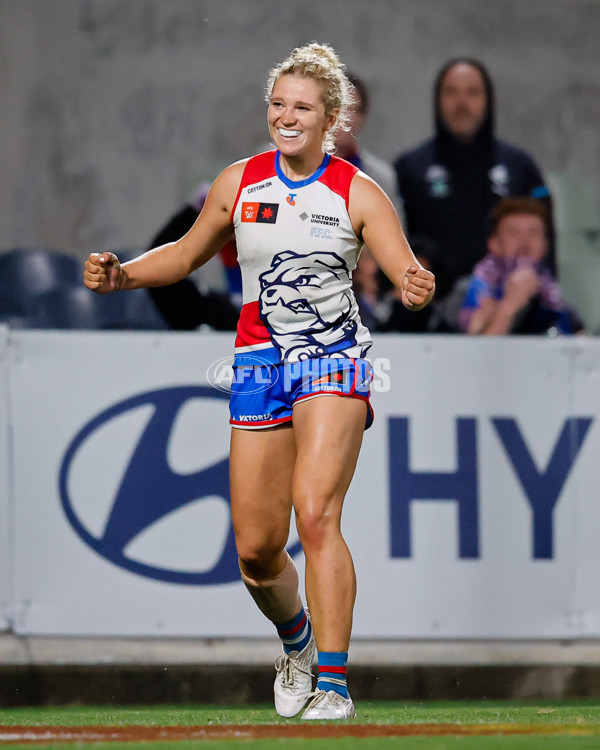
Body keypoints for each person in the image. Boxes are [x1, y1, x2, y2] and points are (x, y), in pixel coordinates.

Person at [84, 42, 435, 720]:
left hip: (332, 360)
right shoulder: (239, 182)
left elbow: (406, 275)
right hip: (258, 365)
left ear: (330, 116)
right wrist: (124, 273)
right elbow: (186, 254)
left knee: (317, 510)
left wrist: (415, 288)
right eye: (278, 103)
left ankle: (332, 684)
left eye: (302, 106)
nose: (286, 115)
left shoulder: (359, 193)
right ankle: (297, 643)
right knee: (255, 552)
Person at [394, 58, 555, 302]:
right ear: (438, 99)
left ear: (488, 100)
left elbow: (546, 245)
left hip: (509, 310)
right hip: (430, 312)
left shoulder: (520, 167)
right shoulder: (409, 168)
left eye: (473, 92)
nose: (462, 103)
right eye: (451, 92)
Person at [459, 197, 584, 335]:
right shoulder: (468, 291)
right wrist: (510, 305)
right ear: (494, 244)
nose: (524, 242)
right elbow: (475, 352)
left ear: (545, 245)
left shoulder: (560, 295)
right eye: (513, 233)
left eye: (533, 233)